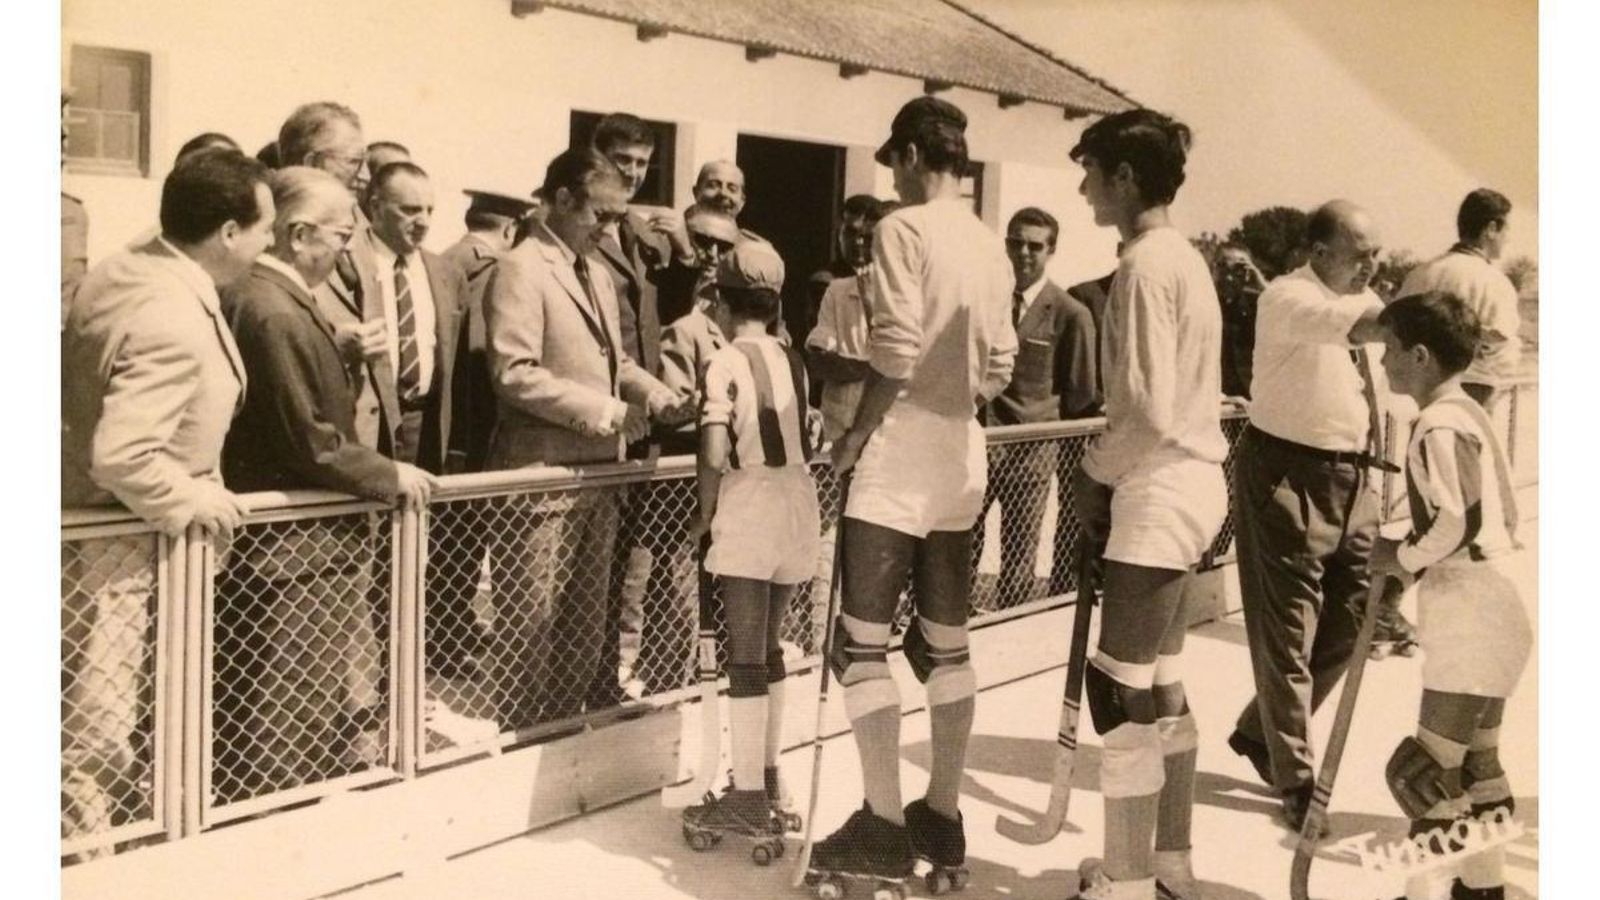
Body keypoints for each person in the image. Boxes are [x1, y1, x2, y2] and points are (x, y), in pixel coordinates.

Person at [808, 95, 1015, 884]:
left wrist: (857, 435)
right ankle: (945, 816)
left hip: (900, 450)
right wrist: (954, 396)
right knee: (948, 645)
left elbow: (892, 349)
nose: (890, 182)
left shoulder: (902, 229)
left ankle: (884, 827)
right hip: (965, 446)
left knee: (860, 645)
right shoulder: (989, 243)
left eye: (893, 163)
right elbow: (1000, 365)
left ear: (912, 158)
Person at [61, 150, 270, 851]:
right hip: (124, 549)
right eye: (264, 228)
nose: (268, 242)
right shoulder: (172, 313)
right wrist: (192, 498)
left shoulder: (128, 266)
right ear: (229, 233)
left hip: (98, 536)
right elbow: (123, 453)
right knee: (98, 736)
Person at [217, 166, 436, 799]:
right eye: (341, 236)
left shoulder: (269, 298)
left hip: (293, 551)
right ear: (298, 233)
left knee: (271, 709)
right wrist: (390, 473)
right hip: (295, 554)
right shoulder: (272, 307)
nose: (349, 250)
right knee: (286, 717)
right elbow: (308, 438)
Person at [1064, 109, 1228, 900]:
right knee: (1159, 684)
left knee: (1116, 687)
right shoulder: (1186, 259)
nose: (1083, 183)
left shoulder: (1143, 265)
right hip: (1192, 486)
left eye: (1091, 167)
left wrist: (1094, 475)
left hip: (1160, 488)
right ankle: (1169, 867)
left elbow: (1147, 412)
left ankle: (1124, 884)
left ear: (1126, 176)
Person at [482, 148, 688, 728]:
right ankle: (522, 747)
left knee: (581, 635)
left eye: (616, 218)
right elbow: (514, 373)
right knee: (531, 634)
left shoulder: (595, 271)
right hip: (543, 480)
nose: (607, 229)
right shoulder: (521, 267)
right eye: (599, 215)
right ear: (563, 199)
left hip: (597, 477)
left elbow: (615, 360)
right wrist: (605, 412)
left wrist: (659, 395)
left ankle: (563, 745)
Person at [1226, 200, 1392, 839]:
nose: (1372, 265)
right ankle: (1295, 779)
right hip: (1287, 476)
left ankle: (1258, 732)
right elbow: (1350, 329)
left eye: (1376, 252)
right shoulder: (1289, 298)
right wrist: (1423, 320)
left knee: (1352, 625)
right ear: (1319, 251)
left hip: (1356, 479)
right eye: (1360, 252)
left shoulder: (1364, 298)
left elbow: (1374, 392)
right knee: (1288, 633)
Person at [1367, 291, 1531, 900]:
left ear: (1419, 355)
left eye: (1389, 351)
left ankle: (1422, 895)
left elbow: (1456, 521)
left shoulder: (1437, 421)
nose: (1383, 364)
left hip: (1471, 608)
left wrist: (1398, 557)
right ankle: (1482, 888)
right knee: (1478, 763)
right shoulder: (1472, 411)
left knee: (1426, 772)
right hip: (1498, 602)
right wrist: (1407, 575)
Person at [680, 240, 819, 837]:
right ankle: (767, 774)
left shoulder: (724, 359)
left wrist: (704, 514)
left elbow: (714, 452)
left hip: (751, 503)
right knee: (768, 650)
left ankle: (747, 797)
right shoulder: (794, 358)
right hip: (798, 503)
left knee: (743, 659)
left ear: (719, 300)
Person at [589, 112, 705, 703]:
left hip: (645, 412)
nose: (632, 175)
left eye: (641, 164)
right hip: (603, 409)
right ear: (597, 159)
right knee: (599, 562)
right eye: (622, 163)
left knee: (637, 553)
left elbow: (666, 310)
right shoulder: (574, 223)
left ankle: (618, 674)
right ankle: (591, 679)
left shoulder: (641, 231)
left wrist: (684, 250)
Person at [974, 206, 1099, 608]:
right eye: (1015, 242)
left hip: (1030, 454)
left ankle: (1011, 637)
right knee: (959, 547)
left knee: (1018, 559)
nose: (1023, 253)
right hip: (978, 445)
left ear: (1051, 250)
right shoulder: (985, 297)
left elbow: (1081, 392)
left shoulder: (1070, 312)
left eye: (1034, 246)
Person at [278, 102, 392, 451]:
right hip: (314, 442)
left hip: (368, 434)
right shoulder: (272, 228)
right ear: (313, 163)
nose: (366, 176)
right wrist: (331, 343)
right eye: (354, 162)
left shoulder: (356, 223)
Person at [1398, 189, 1521, 411]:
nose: (1508, 238)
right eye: (1507, 229)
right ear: (1491, 229)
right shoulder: (1495, 282)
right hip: (1472, 397)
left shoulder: (1419, 273)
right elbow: (1503, 353)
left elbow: (1395, 333)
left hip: (1417, 393)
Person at [1215, 242, 1267, 399]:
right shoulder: (1204, 303)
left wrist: (1260, 282)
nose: (1229, 276)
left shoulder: (1259, 302)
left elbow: (1288, 311)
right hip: (1218, 395)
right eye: (1223, 266)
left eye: (1238, 268)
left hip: (1255, 396)